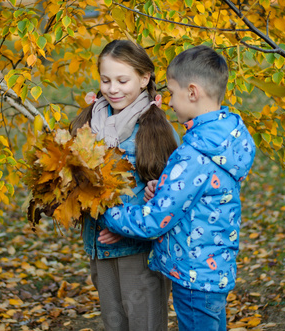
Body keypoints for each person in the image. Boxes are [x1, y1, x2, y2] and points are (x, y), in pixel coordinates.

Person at [99, 45, 256, 331]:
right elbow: (204, 191)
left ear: (192, 93)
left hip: (193, 274)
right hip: (214, 270)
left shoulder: (194, 153)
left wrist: (109, 214)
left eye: (172, 93)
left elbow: (155, 221)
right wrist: (165, 188)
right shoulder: (225, 139)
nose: (169, 102)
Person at [69, 40, 180, 330]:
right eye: (105, 80)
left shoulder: (155, 128)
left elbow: (171, 193)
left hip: (139, 251)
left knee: (144, 323)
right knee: (114, 323)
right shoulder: (88, 121)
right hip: (99, 246)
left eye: (122, 80)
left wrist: (124, 226)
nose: (112, 89)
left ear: (144, 79)